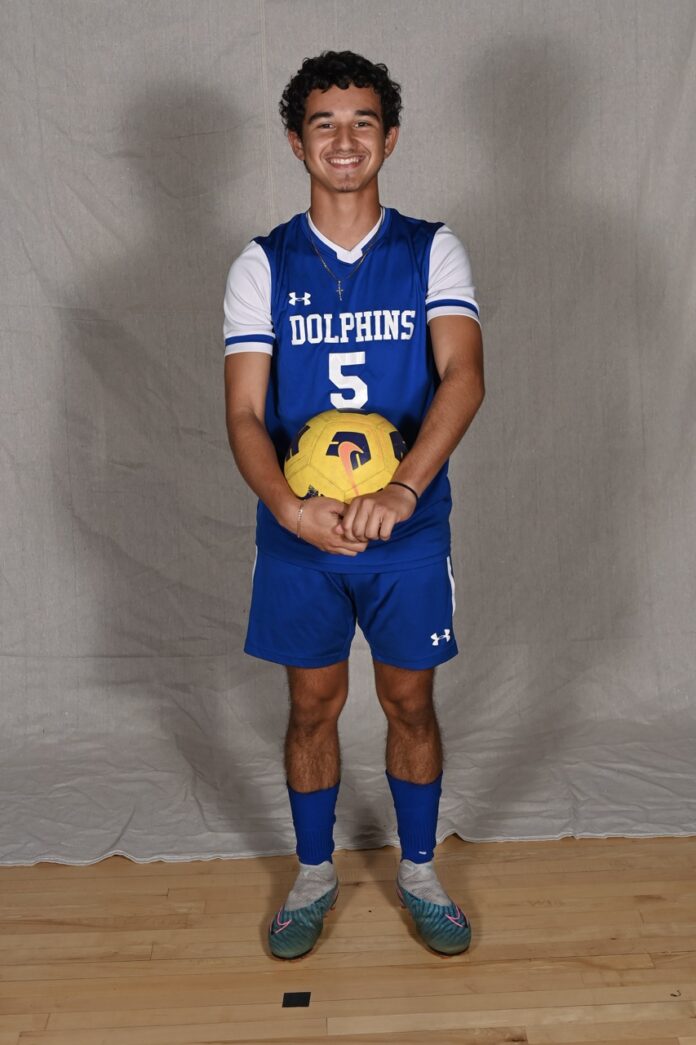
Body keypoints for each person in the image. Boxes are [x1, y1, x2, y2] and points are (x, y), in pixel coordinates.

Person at [223, 50, 485, 960]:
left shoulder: (430, 248)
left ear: (391, 137)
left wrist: (404, 485)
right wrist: (292, 510)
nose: (345, 140)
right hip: (301, 533)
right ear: (297, 142)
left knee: (410, 702)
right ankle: (312, 875)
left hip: (404, 528)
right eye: (325, 124)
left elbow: (463, 378)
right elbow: (246, 413)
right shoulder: (261, 264)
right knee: (311, 707)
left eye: (363, 122)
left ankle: (418, 872)